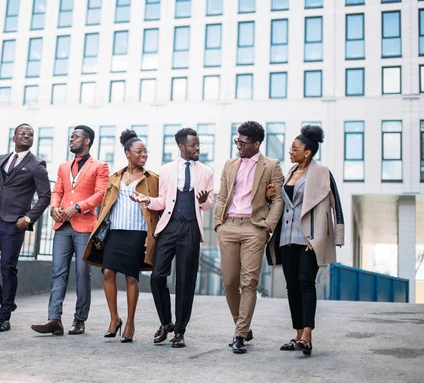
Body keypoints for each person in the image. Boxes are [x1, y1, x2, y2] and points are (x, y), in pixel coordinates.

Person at [131, 128, 213, 348]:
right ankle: (166, 322)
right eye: (193, 145)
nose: (197, 148)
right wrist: (146, 200)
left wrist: (204, 200)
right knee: (157, 276)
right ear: (181, 146)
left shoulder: (206, 171)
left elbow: (208, 204)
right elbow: (163, 200)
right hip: (169, 226)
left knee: (185, 282)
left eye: (198, 145)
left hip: (191, 229)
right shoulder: (167, 170)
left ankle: (180, 330)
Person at [265, 125, 344, 356]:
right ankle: (298, 333)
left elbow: (335, 203)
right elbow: (283, 204)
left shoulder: (321, 172)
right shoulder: (290, 172)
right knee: (291, 287)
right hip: (287, 237)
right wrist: (271, 196)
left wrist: (332, 236)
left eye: (294, 148)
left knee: (306, 283)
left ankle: (307, 334)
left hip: (309, 238)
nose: (291, 152)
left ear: (307, 152)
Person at [213, 121, 284, 354]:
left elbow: (278, 200)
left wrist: (267, 227)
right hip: (229, 226)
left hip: (254, 228)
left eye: (243, 143)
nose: (238, 146)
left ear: (256, 144)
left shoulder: (271, 165)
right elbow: (222, 196)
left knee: (249, 282)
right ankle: (241, 325)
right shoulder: (229, 164)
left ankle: (240, 334)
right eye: (237, 141)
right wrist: (218, 224)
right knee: (229, 282)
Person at [31, 125, 109, 336]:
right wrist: (54, 207)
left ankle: (80, 319)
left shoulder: (100, 166)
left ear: (87, 141)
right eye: (71, 136)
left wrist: (76, 208)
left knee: (82, 273)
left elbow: (101, 194)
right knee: (58, 272)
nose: (71, 139)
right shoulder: (63, 166)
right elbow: (58, 190)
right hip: (62, 227)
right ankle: (54, 319)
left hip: (85, 226)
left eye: (76, 137)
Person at [82, 129, 159, 343]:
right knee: (107, 272)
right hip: (115, 232)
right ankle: (114, 318)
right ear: (128, 153)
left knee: (131, 277)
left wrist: (151, 236)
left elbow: (157, 208)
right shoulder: (115, 177)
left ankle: (131, 323)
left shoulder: (152, 178)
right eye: (139, 151)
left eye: (146, 151)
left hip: (138, 233)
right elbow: (107, 206)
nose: (144, 155)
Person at [0, 123, 51, 333]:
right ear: (14, 138)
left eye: (30, 134)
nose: (26, 135)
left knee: (8, 268)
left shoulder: (37, 165)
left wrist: (28, 219)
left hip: (14, 223)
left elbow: (46, 196)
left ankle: (4, 318)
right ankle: (6, 301)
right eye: (22, 133)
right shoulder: (1, 159)